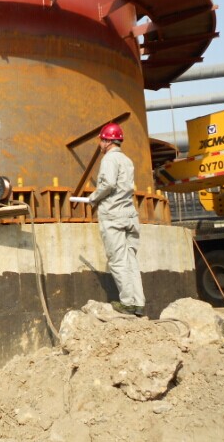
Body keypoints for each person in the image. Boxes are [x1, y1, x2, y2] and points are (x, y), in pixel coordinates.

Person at [79, 122, 145, 316]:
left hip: (113, 215)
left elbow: (107, 184)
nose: (100, 144)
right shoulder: (127, 160)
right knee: (131, 260)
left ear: (107, 141)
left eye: (101, 140)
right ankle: (139, 303)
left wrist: (94, 198)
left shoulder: (109, 159)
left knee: (117, 260)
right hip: (129, 215)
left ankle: (127, 303)